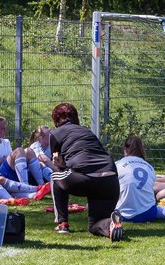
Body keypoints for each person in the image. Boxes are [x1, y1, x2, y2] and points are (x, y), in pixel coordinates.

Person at [47, 103, 124, 241]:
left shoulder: (55, 133)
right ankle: (110, 224)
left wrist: (60, 165)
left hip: (85, 177)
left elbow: (59, 162)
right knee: (94, 226)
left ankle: (62, 223)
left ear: (56, 120)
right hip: (110, 180)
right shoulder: (87, 131)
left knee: (55, 177)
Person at [115, 136, 165, 223]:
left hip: (123, 215)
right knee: (153, 208)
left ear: (125, 149)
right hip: (148, 214)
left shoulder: (118, 165)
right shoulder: (149, 167)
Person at [0, 115, 48, 192]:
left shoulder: (6, 142)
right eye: (2, 128)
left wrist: (2, 159)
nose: (5, 130)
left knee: (29, 151)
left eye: (6, 128)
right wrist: (5, 158)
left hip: (8, 171)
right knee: (19, 150)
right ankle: (25, 186)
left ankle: (42, 186)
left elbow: (11, 160)